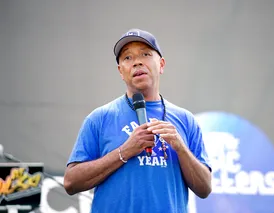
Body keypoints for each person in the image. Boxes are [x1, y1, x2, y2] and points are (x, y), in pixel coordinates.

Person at [63, 28, 212, 213]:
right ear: (120, 71)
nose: (137, 62)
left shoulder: (186, 121)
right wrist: (125, 151)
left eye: (146, 54)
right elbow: (70, 182)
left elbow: (205, 188)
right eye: (127, 58)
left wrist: (180, 148)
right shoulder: (99, 118)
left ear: (162, 64)